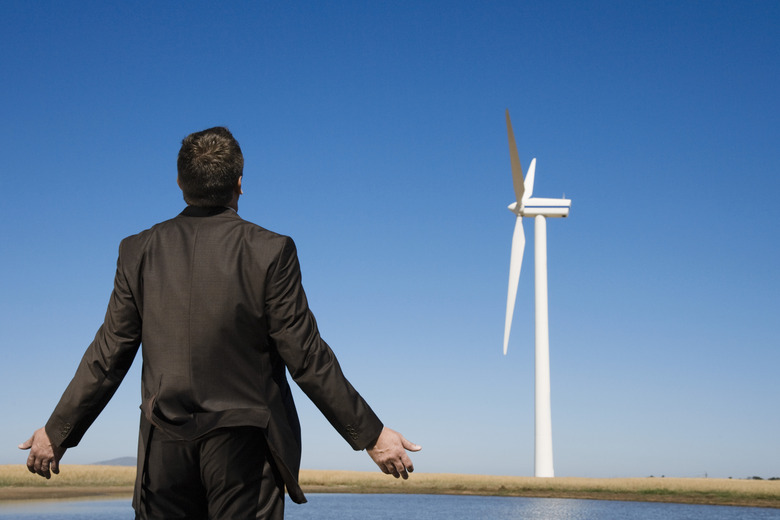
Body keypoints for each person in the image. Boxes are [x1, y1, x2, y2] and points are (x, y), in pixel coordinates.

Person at [19, 126, 420, 519]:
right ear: (240, 184)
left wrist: (58, 431)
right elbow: (306, 355)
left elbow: (109, 354)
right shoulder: (271, 250)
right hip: (245, 450)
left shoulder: (137, 250)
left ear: (179, 181)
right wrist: (371, 435)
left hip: (164, 453)